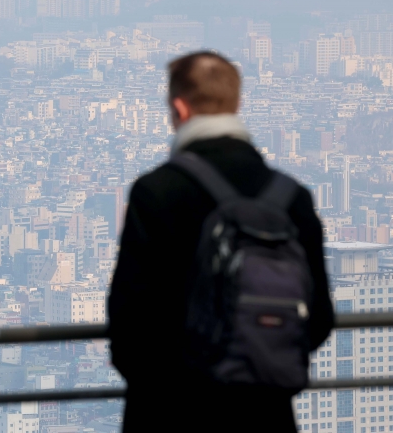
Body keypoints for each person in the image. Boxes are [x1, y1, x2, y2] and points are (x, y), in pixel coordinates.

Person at [108, 51, 333, 432]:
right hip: (265, 415)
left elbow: (129, 323)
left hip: (171, 411)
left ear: (179, 108)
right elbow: (319, 319)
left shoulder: (157, 192)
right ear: (236, 104)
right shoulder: (291, 197)